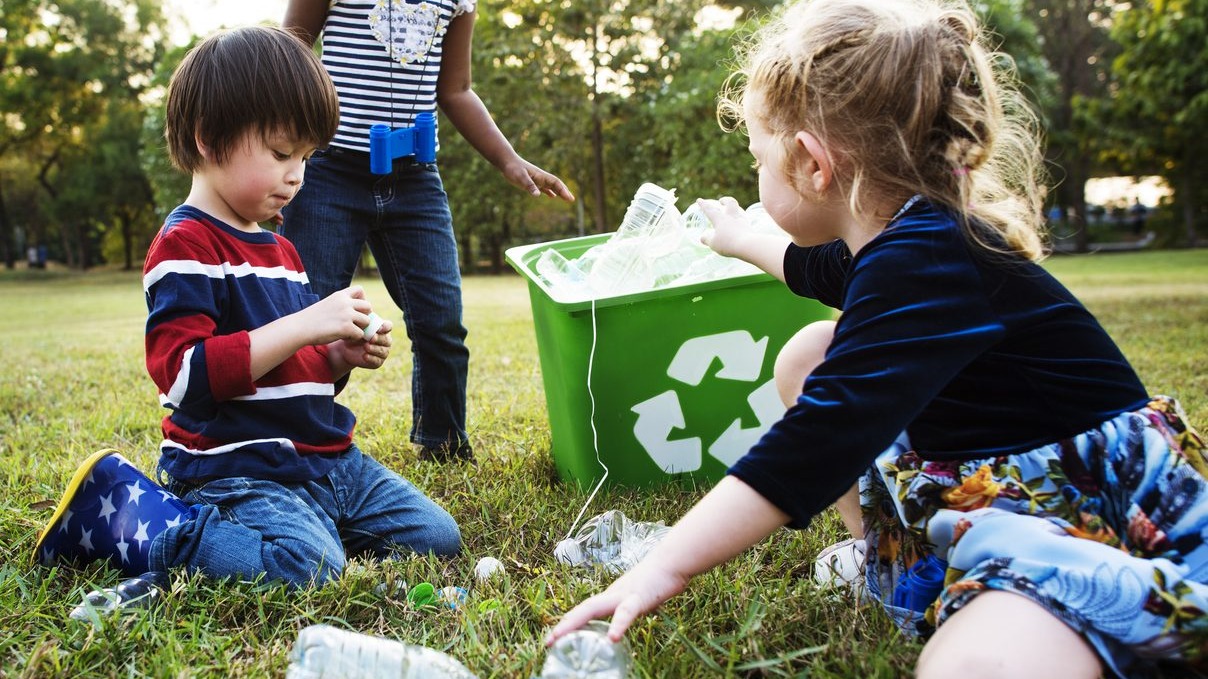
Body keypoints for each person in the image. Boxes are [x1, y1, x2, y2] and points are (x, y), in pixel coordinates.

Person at [548, 1, 1208, 678]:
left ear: (810, 162)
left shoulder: (925, 257)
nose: (755, 175)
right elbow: (812, 267)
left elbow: (818, 440)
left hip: (1084, 514)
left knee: (975, 664)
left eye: (757, 158)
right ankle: (893, 558)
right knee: (811, 350)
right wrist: (740, 238)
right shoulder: (901, 237)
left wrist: (664, 564)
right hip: (996, 483)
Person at [33, 26, 461, 590]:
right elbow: (184, 378)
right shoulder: (186, 245)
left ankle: (307, 525)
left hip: (324, 461)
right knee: (306, 569)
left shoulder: (281, 250)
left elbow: (290, 370)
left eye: (308, 157)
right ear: (209, 138)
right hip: (237, 468)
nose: (297, 175)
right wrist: (303, 324)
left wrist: (337, 355)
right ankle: (152, 526)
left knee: (436, 537)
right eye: (283, 153)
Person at [278, 0, 575, 463]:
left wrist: (509, 159)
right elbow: (287, 58)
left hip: (415, 177)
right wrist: (281, 163)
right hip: (332, 173)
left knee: (441, 320)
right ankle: (300, 440)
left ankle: (444, 445)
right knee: (310, 318)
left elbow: (456, 90)